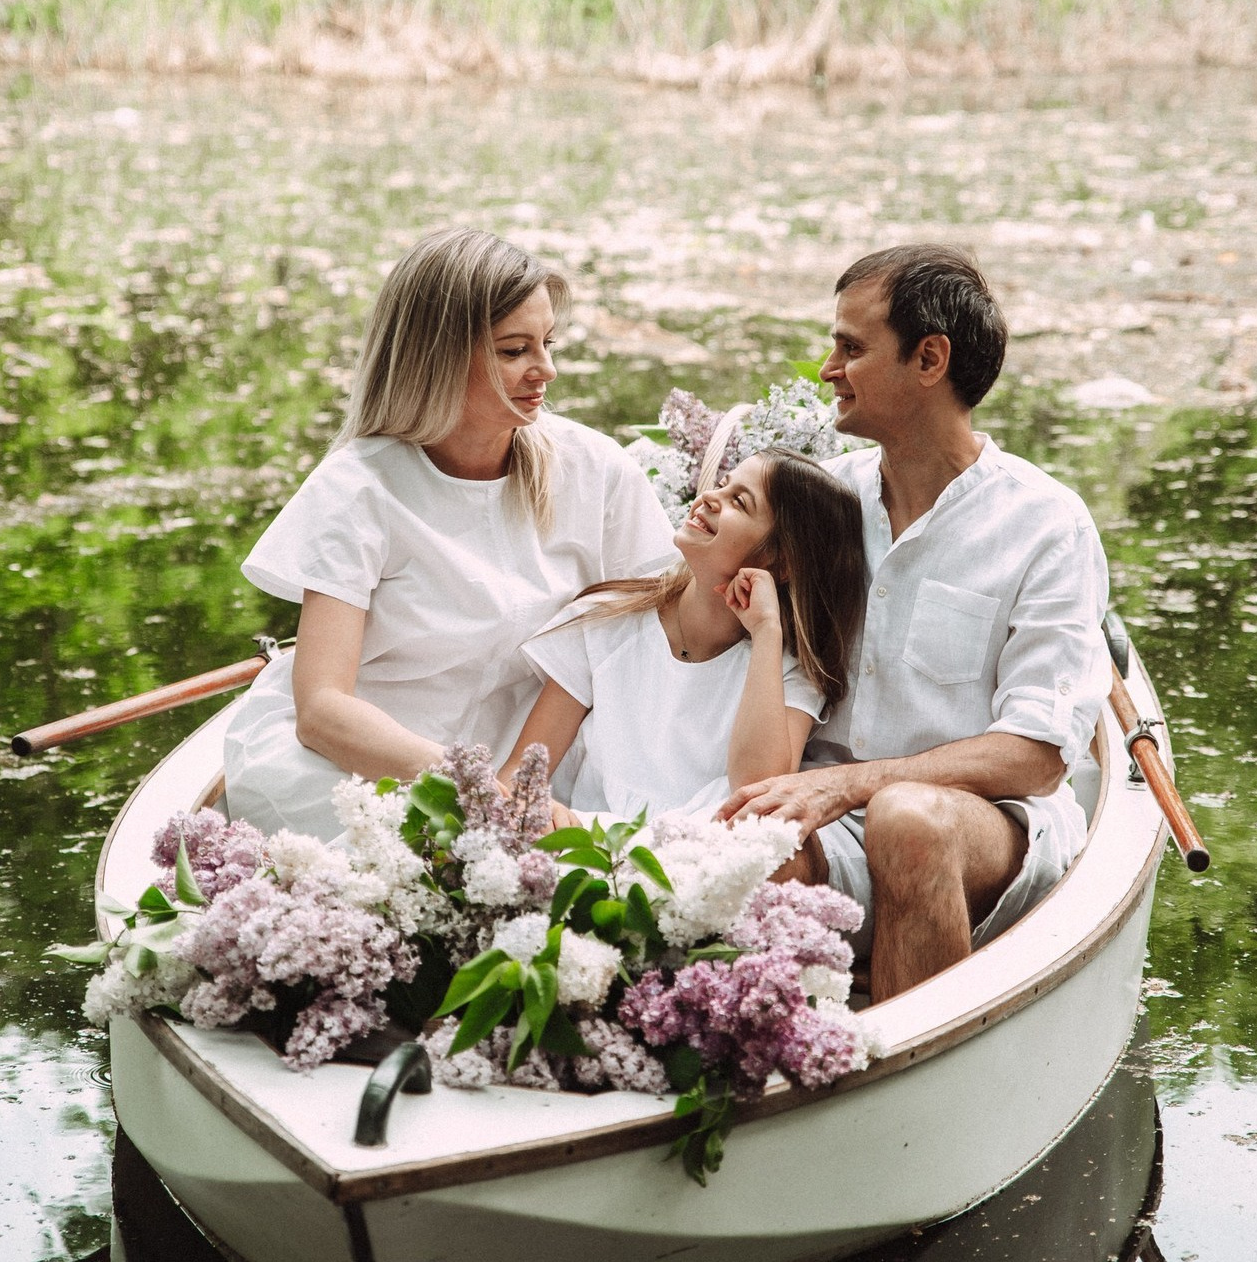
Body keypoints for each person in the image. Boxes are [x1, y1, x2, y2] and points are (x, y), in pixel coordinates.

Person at [718, 244, 1112, 1004]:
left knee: (909, 820)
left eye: (851, 347)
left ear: (929, 358)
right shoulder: (826, 500)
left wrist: (858, 783)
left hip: (987, 828)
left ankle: (910, 1075)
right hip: (833, 813)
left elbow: (1037, 756)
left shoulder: (1046, 524)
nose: (828, 368)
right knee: (738, 846)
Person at [223, 228, 675, 840]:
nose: (547, 369)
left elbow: (629, 646)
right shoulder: (360, 487)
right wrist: (478, 792)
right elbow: (324, 713)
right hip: (369, 765)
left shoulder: (595, 471)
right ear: (434, 357)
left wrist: (518, 786)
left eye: (547, 342)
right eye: (514, 350)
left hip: (542, 752)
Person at [497, 448, 866, 824]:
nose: (709, 497)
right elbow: (521, 774)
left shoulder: (785, 671)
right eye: (722, 484)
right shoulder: (607, 619)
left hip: (693, 861)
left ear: (783, 561)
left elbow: (757, 791)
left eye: (738, 501)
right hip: (580, 847)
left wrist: (767, 633)